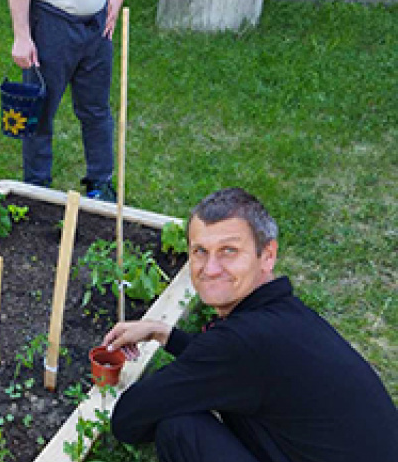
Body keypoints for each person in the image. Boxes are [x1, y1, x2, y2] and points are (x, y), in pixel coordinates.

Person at [103, 187, 398, 462]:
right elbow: (233, 365)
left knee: (179, 429)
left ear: (267, 255)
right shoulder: (283, 318)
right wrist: (164, 333)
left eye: (229, 251)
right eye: (199, 251)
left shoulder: (242, 343)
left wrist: (180, 385)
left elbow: (129, 420)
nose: (210, 268)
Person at [8, 0, 130, 202]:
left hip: (98, 25)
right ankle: (37, 190)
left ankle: (100, 184)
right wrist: (22, 35)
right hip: (51, 21)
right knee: (39, 113)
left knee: (96, 110)